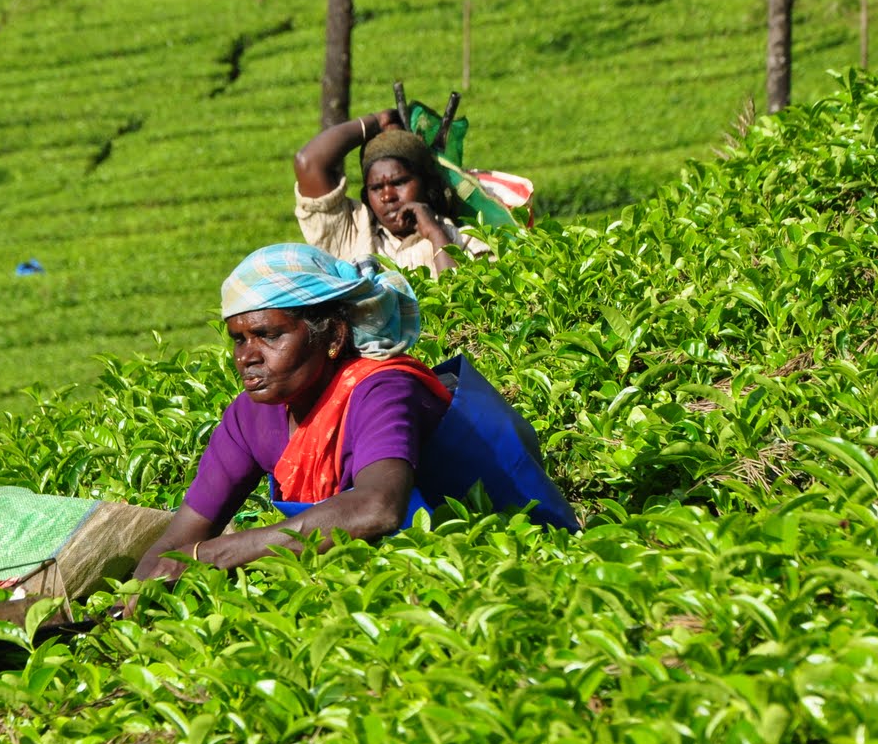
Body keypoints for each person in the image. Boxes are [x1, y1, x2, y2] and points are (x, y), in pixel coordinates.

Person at [133, 244, 574, 584]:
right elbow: (180, 538)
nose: (247, 356)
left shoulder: (381, 389)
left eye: (269, 335)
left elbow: (377, 507)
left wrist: (213, 555)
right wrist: (129, 598)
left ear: (333, 336)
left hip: (498, 565)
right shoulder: (248, 418)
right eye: (238, 339)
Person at [292, 109, 492, 277]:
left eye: (399, 182)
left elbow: (462, 299)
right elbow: (308, 162)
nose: (387, 196)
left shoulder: (466, 241)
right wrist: (377, 120)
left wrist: (435, 233)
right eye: (376, 188)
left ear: (428, 185)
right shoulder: (353, 231)